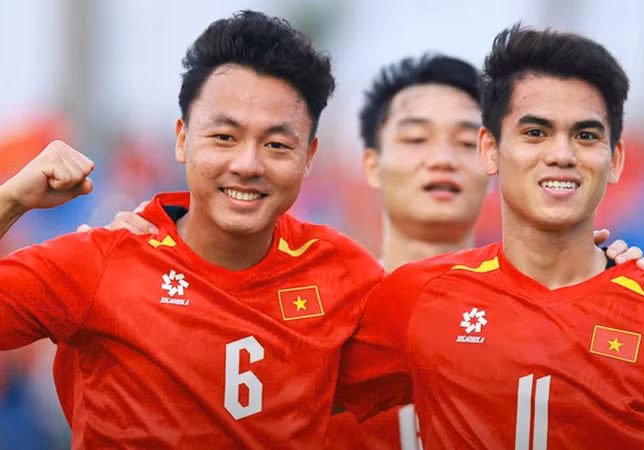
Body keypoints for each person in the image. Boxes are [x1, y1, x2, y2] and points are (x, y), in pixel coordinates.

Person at [102, 53, 644, 449]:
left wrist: (599, 280)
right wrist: (155, 245)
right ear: (370, 163)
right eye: (415, 138)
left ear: (492, 155)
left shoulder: (564, 311)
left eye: (464, 140)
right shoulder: (327, 300)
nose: (442, 158)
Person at [337, 25, 644, 449]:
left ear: (615, 159)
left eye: (586, 136)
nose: (562, 155)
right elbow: (300, 409)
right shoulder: (415, 297)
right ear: (489, 150)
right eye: (535, 133)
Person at [0, 11, 386, 448]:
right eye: (224, 137)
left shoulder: (343, 272)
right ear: (182, 139)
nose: (247, 164)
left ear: (309, 156)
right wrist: (11, 198)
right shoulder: (103, 261)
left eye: (277, 144)